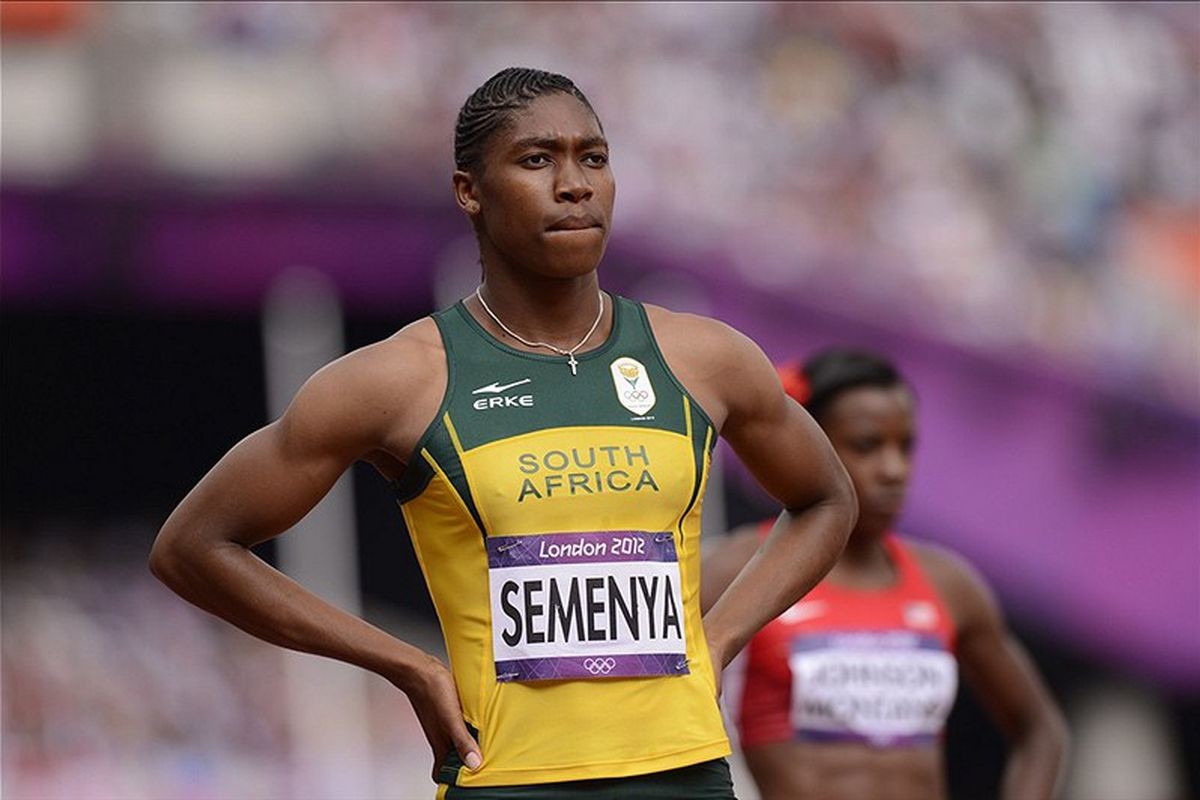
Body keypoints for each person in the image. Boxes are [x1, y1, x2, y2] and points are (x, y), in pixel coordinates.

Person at [149, 67, 857, 798]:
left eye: (593, 157)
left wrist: (722, 636)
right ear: (470, 192)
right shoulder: (400, 379)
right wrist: (406, 665)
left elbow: (827, 499)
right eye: (537, 159)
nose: (574, 184)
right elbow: (193, 547)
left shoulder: (704, 359)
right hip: (507, 778)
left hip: (684, 774)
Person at [702, 349, 1069, 800]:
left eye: (905, 447)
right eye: (867, 445)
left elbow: (1040, 731)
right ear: (809, 447)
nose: (894, 470)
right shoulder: (736, 569)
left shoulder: (948, 583)